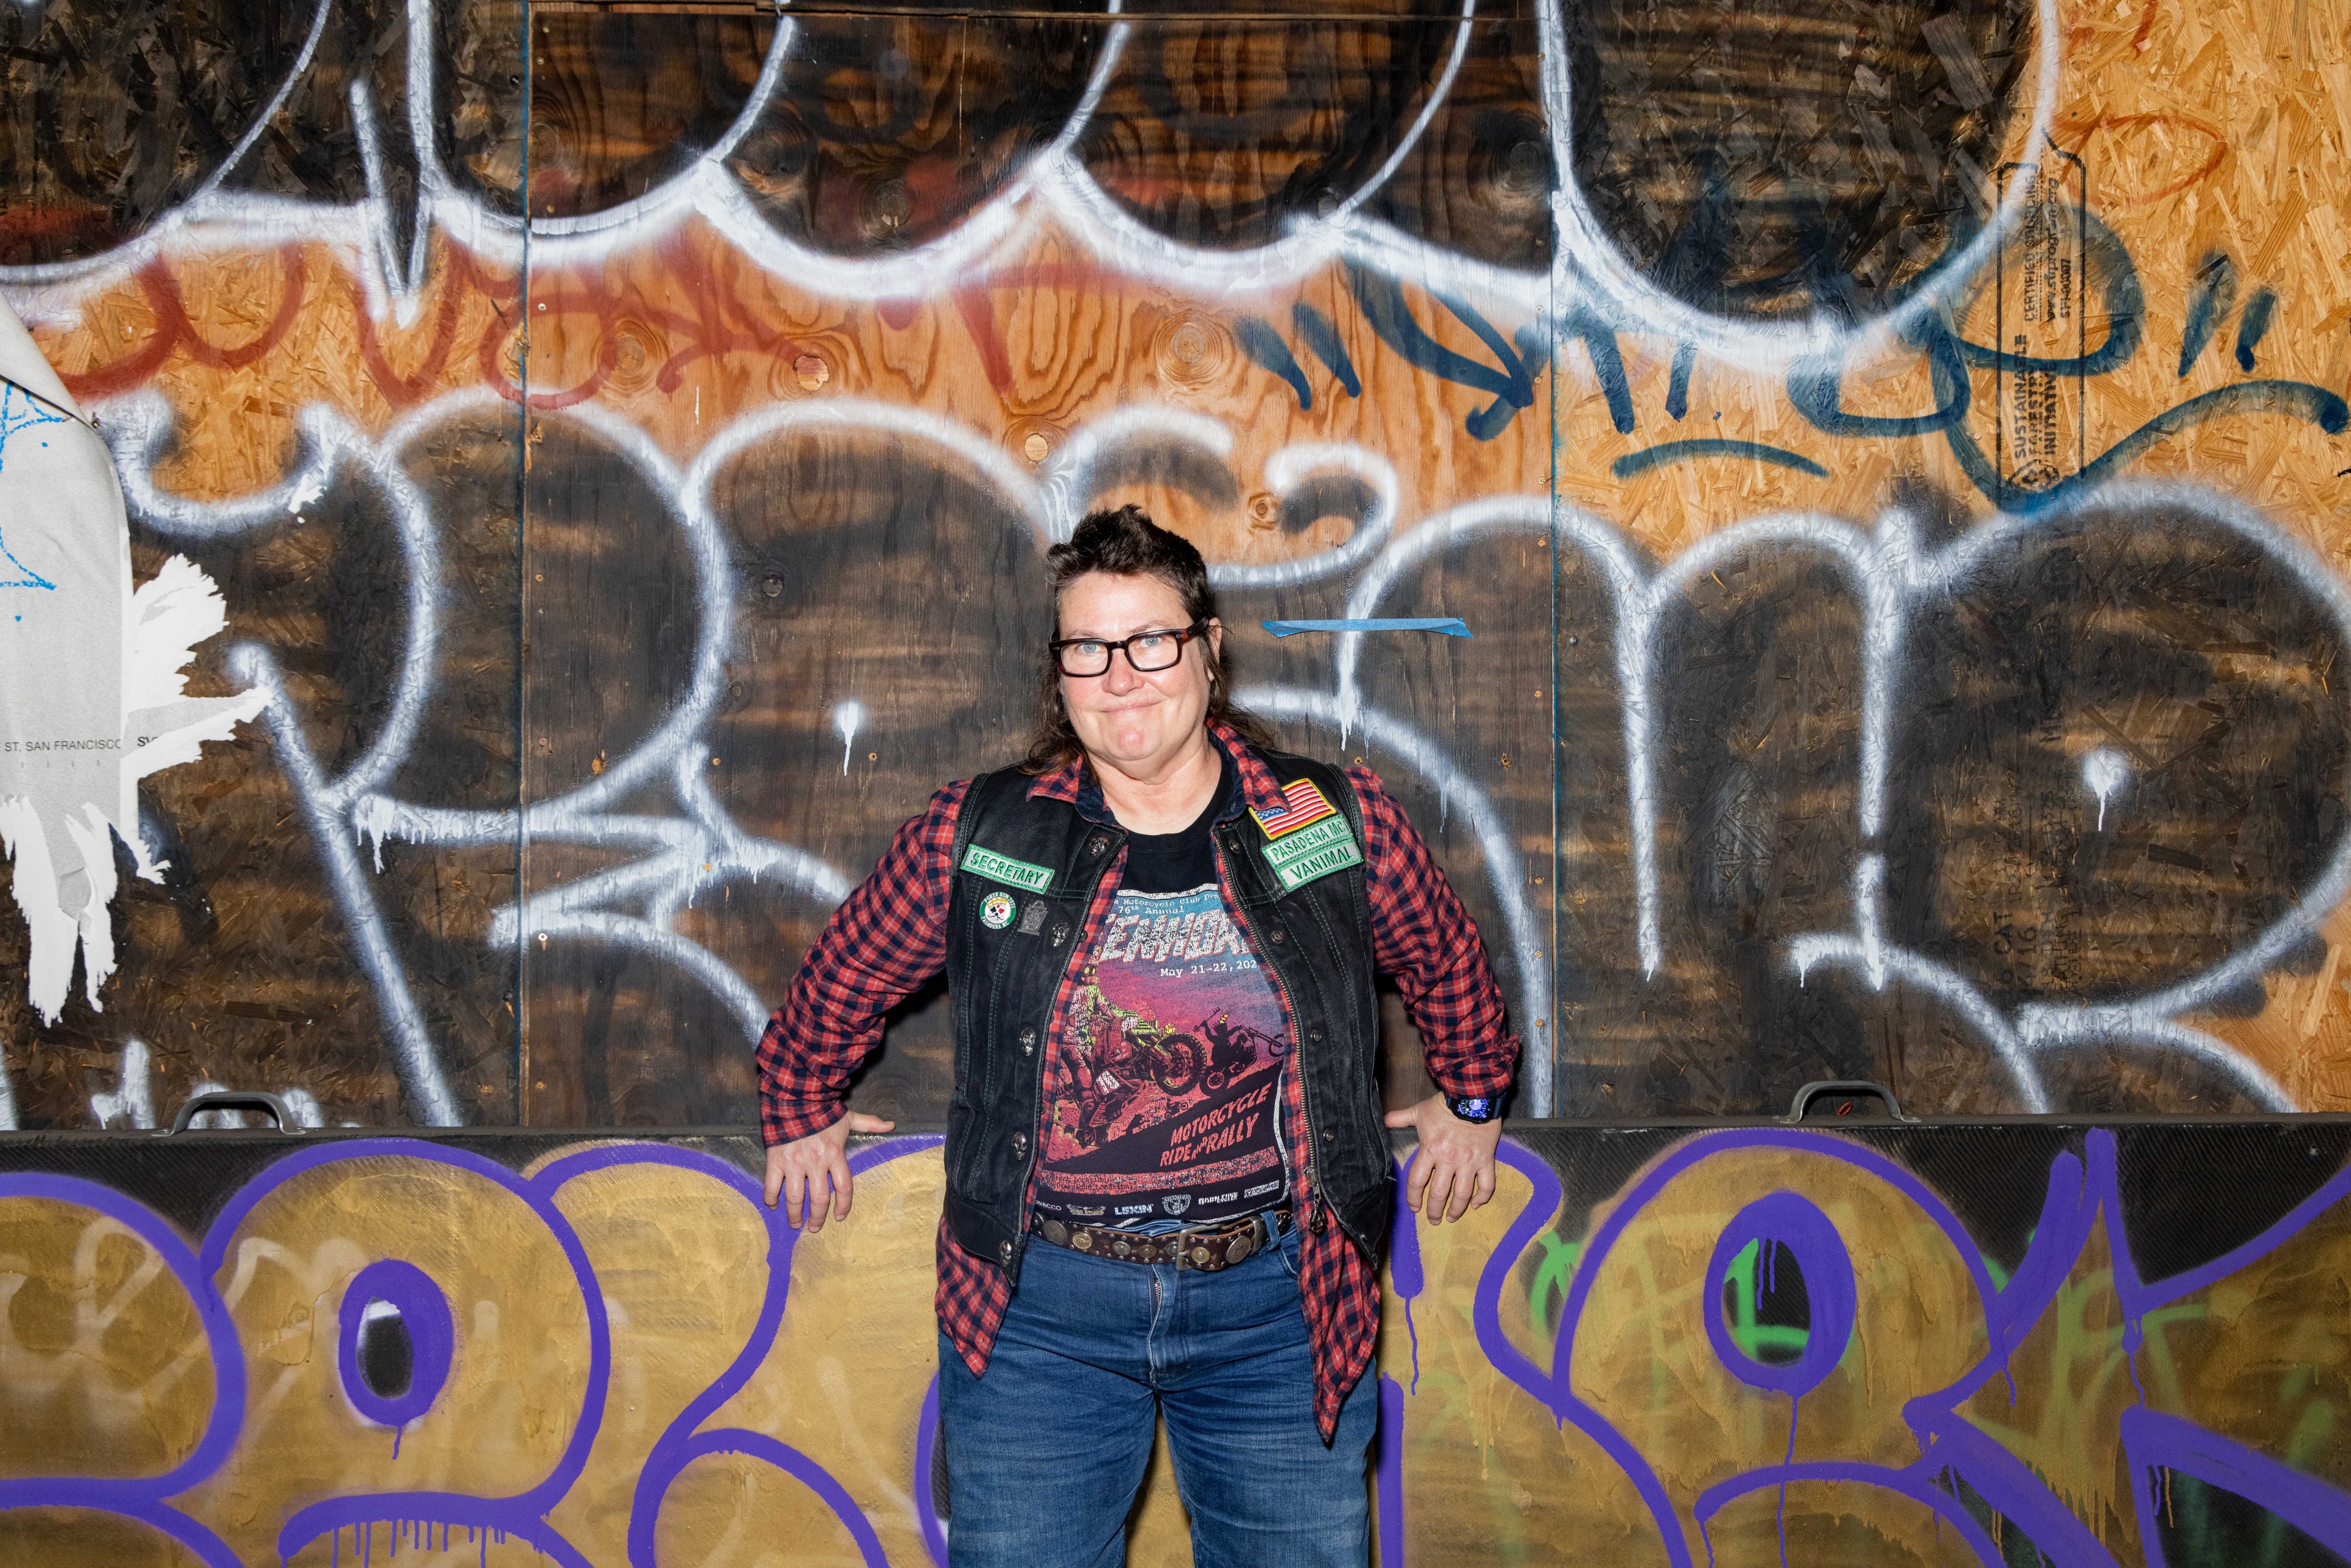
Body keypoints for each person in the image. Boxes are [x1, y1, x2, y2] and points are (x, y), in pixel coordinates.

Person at [756, 505, 1519, 1568]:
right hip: (1039, 1315)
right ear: (1058, 673)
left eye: (1151, 641)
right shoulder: (980, 834)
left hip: (1282, 1307)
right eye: (1088, 649)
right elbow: (842, 973)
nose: (1122, 675)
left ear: (1209, 651)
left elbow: (1449, 961)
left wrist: (1473, 1098)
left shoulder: (1330, 819)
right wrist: (799, 1107)